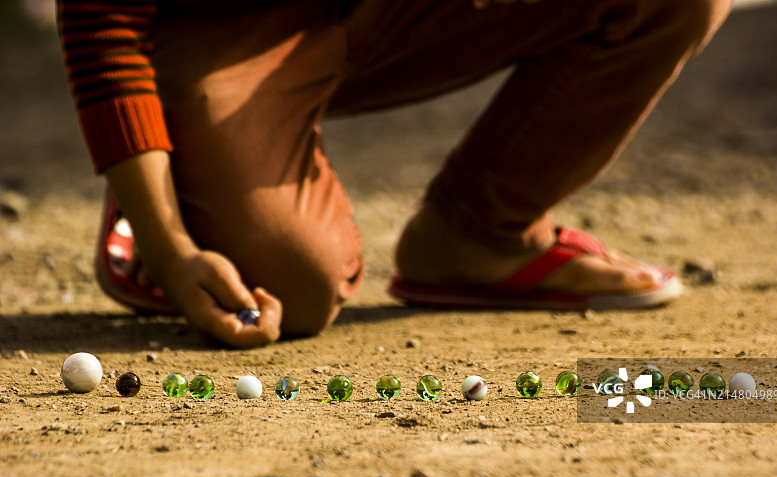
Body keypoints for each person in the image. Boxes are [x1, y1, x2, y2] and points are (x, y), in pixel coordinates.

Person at [57, 0, 733, 348]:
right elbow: (101, 23)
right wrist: (170, 242)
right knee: (292, 288)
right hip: (220, 29)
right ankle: (165, 186)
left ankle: (479, 234)